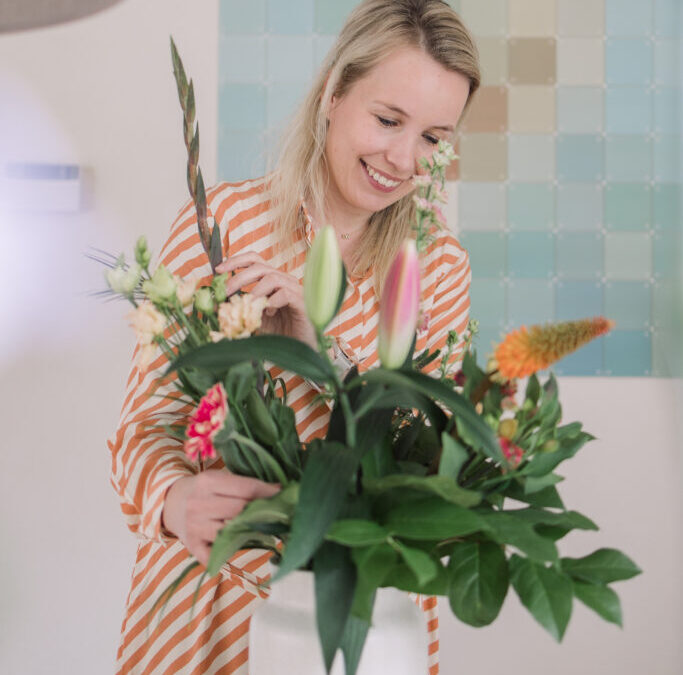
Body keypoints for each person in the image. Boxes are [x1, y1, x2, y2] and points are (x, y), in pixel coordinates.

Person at [108, 0, 480, 672]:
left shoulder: (439, 267)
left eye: (432, 137)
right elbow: (147, 420)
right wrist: (174, 497)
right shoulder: (222, 222)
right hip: (214, 607)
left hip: (367, 620)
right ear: (334, 92)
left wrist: (317, 355)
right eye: (388, 119)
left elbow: (430, 466)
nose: (403, 157)